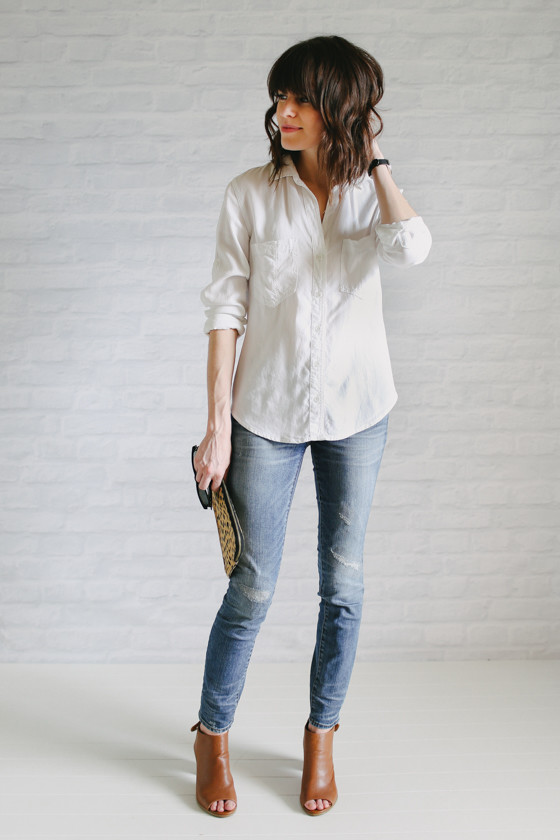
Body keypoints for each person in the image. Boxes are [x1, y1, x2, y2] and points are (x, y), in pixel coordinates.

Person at [191, 35, 432, 818]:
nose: (283, 111)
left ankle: (321, 737)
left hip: (358, 412)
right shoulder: (249, 194)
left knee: (345, 587)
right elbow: (225, 309)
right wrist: (217, 427)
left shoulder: (369, 196)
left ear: (340, 109)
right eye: (279, 97)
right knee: (253, 585)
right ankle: (212, 736)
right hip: (264, 413)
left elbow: (413, 247)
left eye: (300, 98)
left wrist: (377, 159)